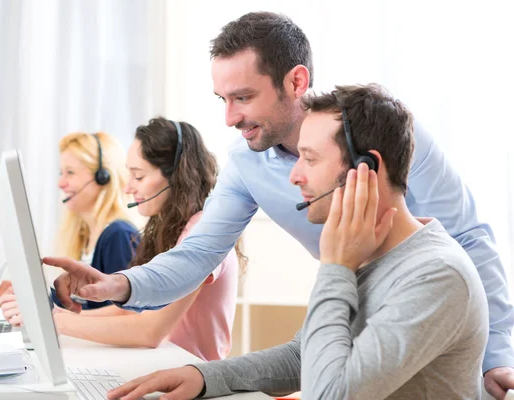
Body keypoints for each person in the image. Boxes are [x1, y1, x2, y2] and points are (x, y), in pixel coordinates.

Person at [46, 12, 514, 398]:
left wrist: (497, 355)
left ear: (296, 82)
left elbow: (467, 240)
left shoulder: (391, 153)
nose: (229, 117)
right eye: (222, 99)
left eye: (243, 97)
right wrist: (120, 288)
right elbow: (197, 258)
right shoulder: (249, 166)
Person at [105, 83, 490, 399]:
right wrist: (203, 377)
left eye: (310, 159)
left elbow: (329, 393)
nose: (294, 176)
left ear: (365, 170)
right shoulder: (374, 255)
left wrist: (335, 266)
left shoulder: (435, 274)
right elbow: (304, 356)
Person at [46, 118, 242, 361]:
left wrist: (56, 322)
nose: (128, 188)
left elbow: (149, 330)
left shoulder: (201, 232)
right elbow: (132, 314)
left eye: (138, 177)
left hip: (193, 376)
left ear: (176, 177)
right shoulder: (170, 230)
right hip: (166, 366)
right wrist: (56, 316)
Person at [0, 132, 139, 324]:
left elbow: (124, 314)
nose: (61, 183)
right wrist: (33, 297)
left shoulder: (118, 235)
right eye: (61, 173)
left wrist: (52, 315)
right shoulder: (86, 234)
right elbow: (85, 306)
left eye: (70, 173)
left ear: (102, 177)